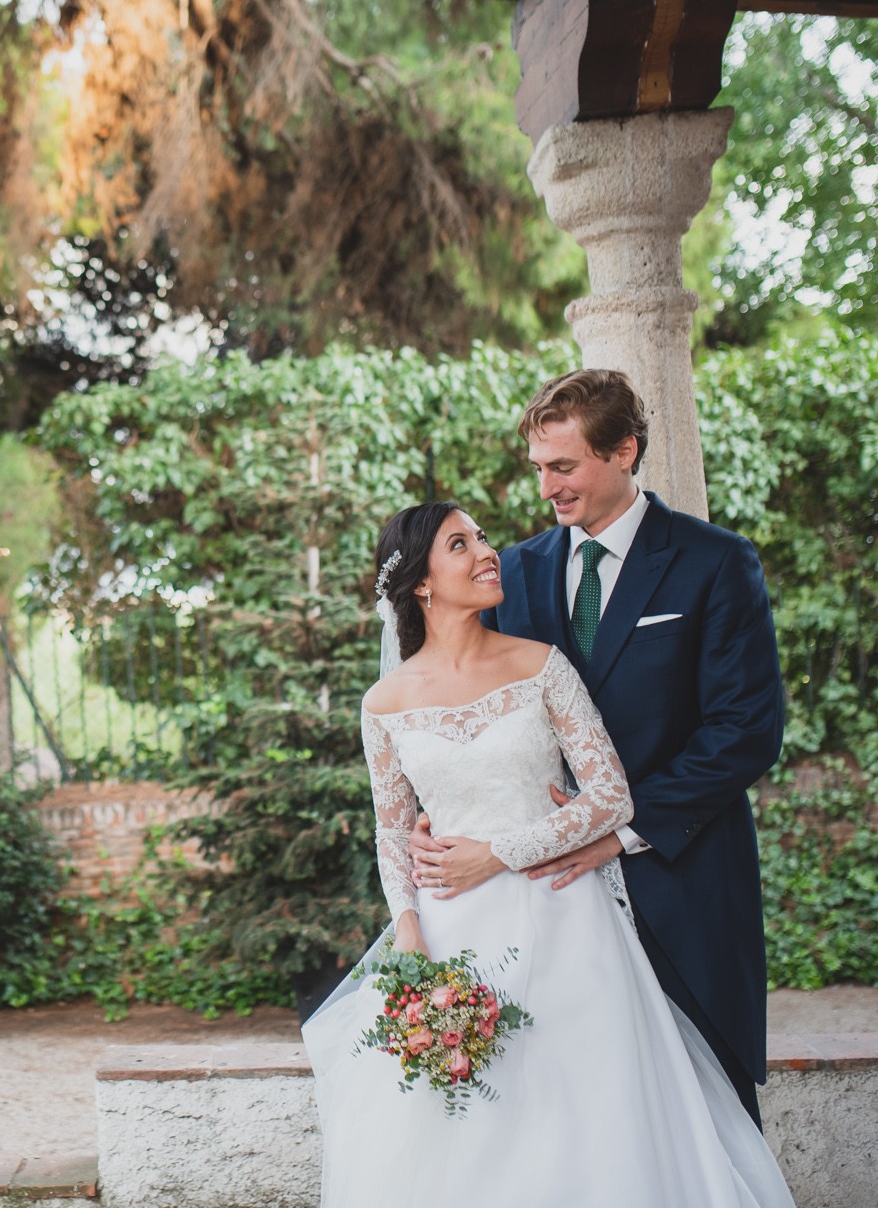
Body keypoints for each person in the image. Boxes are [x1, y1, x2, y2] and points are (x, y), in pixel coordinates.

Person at [300, 495, 792, 1207]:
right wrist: (408, 930)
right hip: (446, 931)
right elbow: (391, 828)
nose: (486, 550)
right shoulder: (384, 702)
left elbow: (610, 797)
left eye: (482, 536)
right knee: (468, 1128)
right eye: (460, 544)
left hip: (564, 912)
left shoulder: (541, 664)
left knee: (581, 1104)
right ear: (420, 583)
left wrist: (499, 851)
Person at [409, 369, 784, 1124]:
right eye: (539, 467)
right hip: (543, 898)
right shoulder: (512, 571)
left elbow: (745, 729)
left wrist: (618, 830)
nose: (548, 486)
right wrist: (438, 799)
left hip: (682, 877)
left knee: (705, 1108)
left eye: (565, 465)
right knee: (565, 1109)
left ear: (624, 450)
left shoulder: (715, 561)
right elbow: (459, 695)